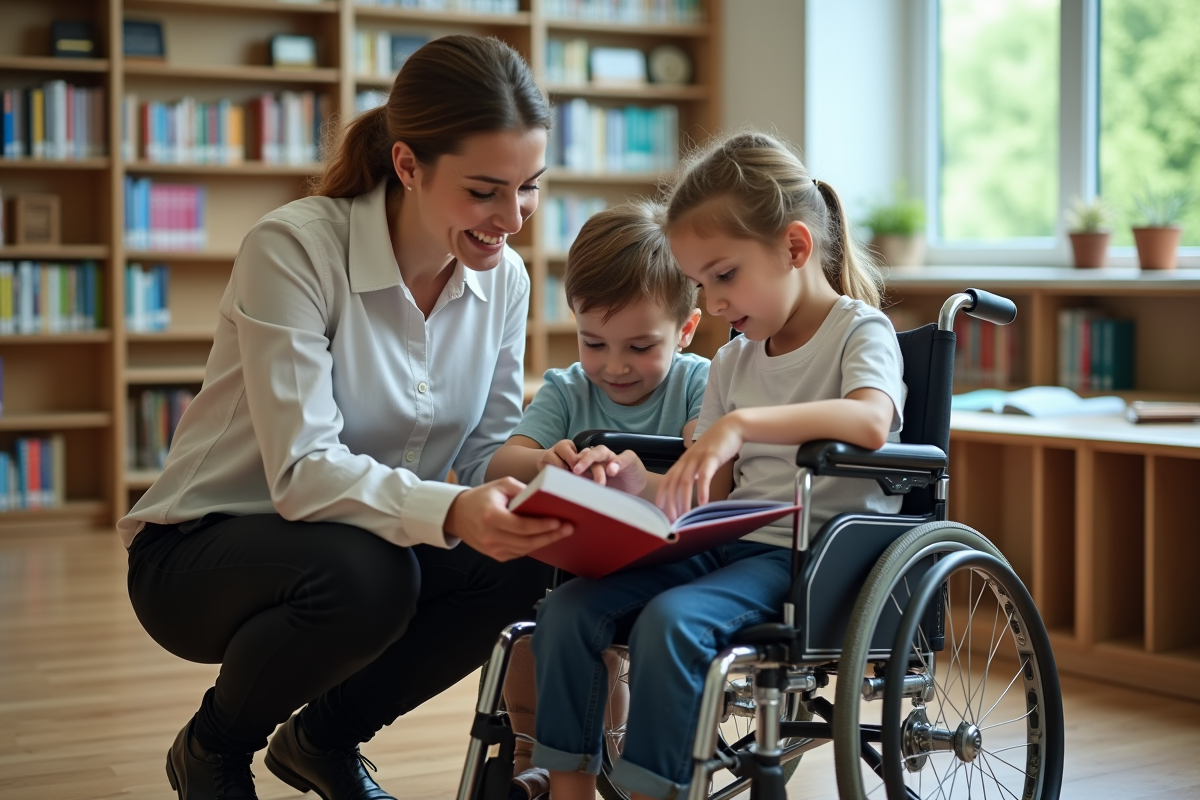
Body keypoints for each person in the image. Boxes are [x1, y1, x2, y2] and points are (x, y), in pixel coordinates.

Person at [118, 35, 573, 800]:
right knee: (370, 574)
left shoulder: (506, 280)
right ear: (407, 165)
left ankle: (322, 741)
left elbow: (489, 444)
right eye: (485, 190)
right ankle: (214, 749)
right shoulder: (294, 248)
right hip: (198, 555)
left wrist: (549, 468)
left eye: (530, 187)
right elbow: (301, 475)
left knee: (531, 557)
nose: (513, 217)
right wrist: (457, 508)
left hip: (368, 541)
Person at [528, 131, 907, 800]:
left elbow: (871, 420)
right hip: (731, 540)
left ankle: (653, 791)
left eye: (724, 275)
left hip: (809, 557)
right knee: (566, 610)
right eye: (702, 283)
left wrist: (736, 425)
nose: (717, 301)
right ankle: (568, 789)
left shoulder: (859, 331)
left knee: (672, 621)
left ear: (795, 247)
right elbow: (712, 487)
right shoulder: (734, 359)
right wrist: (625, 480)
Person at [484, 201, 709, 799]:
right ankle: (533, 754)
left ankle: (619, 750)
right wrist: (545, 461)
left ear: (686, 330)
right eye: (593, 342)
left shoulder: (698, 385)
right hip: (579, 568)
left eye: (639, 347)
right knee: (536, 635)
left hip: (676, 568)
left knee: (600, 632)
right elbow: (500, 462)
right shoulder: (565, 389)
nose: (614, 366)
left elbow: (716, 481)